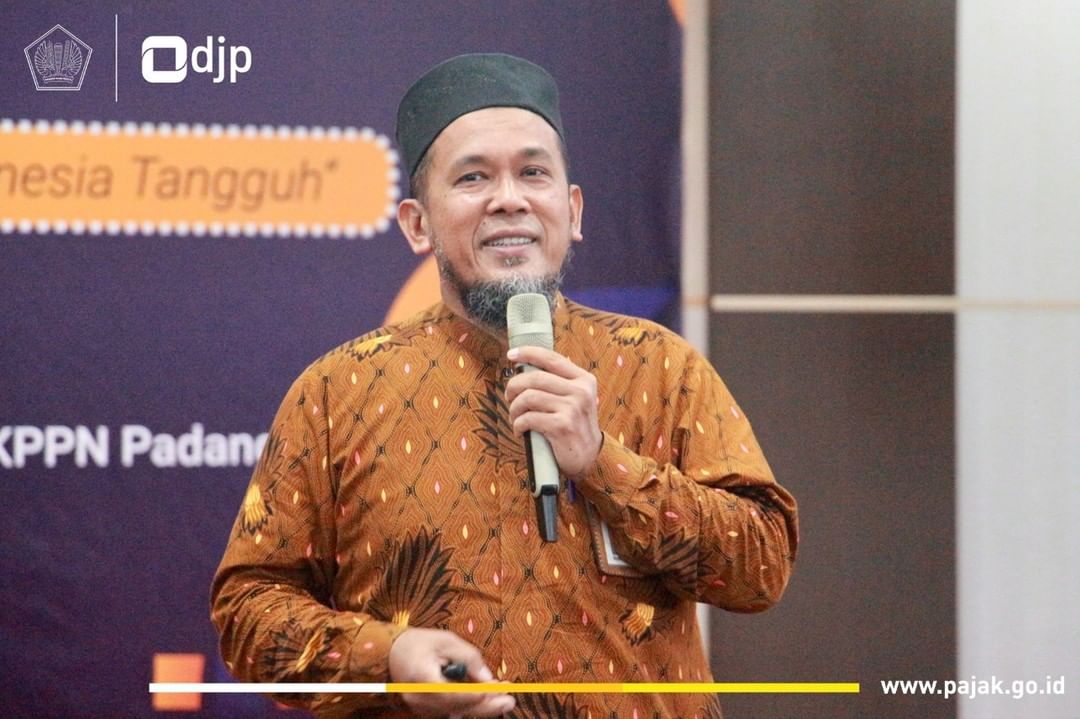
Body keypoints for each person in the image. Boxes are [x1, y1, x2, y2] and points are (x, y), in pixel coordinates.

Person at [211, 53, 798, 719]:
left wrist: (604, 464)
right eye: (473, 177)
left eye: (533, 173)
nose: (510, 199)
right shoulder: (336, 393)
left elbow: (762, 568)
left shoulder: (660, 367)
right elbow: (248, 612)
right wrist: (388, 657)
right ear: (418, 225)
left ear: (572, 211)